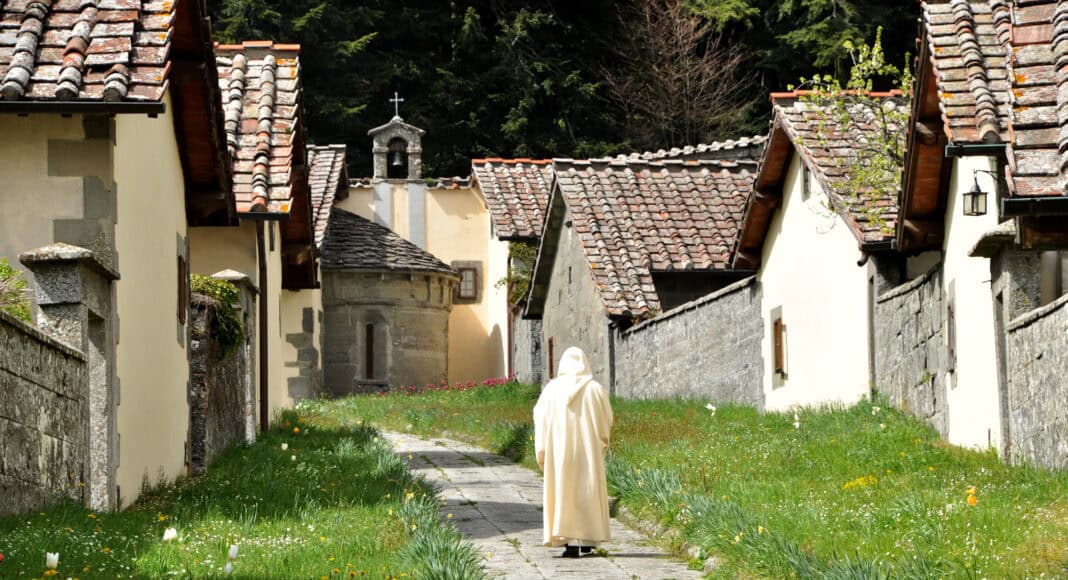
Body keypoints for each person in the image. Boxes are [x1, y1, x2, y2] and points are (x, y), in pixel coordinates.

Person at [533, 347, 614, 558]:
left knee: (564, 491)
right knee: (587, 491)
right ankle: (588, 539)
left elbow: (540, 418)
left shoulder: (551, 390)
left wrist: (542, 450)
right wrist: (601, 443)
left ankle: (570, 542)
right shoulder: (595, 389)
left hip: (560, 452)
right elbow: (606, 420)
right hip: (588, 450)